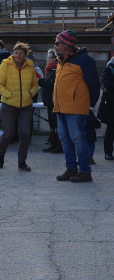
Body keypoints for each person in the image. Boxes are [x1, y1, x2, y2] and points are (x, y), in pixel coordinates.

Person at [53, 30, 100, 182]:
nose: (56, 46)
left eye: (58, 43)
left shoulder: (85, 60)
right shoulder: (61, 60)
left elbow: (94, 85)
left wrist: (89, 105)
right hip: (60, 108)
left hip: (75, 109)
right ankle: (71, 169)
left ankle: (85, 171)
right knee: (65, 140)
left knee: (78, 140)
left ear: (66, 45)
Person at [0, 42, 38, 171]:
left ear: (25, 54)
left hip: (26, 104)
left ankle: (22, 162)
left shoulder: (30, 65)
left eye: (21, 53)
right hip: (9, 104)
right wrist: (8, 95)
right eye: (16, 52)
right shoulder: (5, 64)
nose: (18, 55)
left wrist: (31, 93)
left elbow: (35, 84)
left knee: (25, 133)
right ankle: (1, 153)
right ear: (13, 53)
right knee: (8, 133)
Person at [38, 49, 62, 154]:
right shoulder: (49, 70)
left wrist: (40, 81)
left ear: (53, 59)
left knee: (56, 125)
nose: (46, 60)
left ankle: (58, 145)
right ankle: (53, 144)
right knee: (52, 125)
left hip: (54, 102)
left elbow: (52, 84)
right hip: (49, 102)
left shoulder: (56, 70)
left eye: (48, 58)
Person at [99, 55, 114, 161]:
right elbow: (105, 83)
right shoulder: (110, 68)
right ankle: (108, 152)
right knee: (111, 129)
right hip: (110, 104)